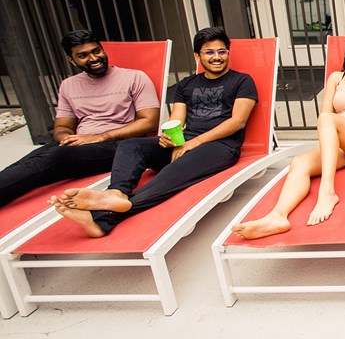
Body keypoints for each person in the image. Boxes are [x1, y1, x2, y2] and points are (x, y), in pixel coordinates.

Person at [51, 27, 257, 237]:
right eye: (209, 52)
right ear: (198, 56)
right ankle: (117, 192)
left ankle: (102, 219)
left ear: (228, 53)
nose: (216, 57)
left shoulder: (242, 81)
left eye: (222, 52)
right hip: (184, 143)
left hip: (220, 146)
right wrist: (170, 136)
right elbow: (177, 118)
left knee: (168, 176)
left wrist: (193, 144)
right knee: (130, 145)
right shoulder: (187, 84)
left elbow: (237, 122)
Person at [232, 33, 345, 239]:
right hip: (341, 144)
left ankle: (327, 192)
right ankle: (277, 216)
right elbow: (323, 116)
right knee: (299, 162)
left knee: (329, 120)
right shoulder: (337, 78)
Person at [0, 30, 160, 207]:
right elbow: (62, 126)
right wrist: (65, 138)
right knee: (34, 159)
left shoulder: (135, 77)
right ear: (72, 60)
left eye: (96, 51)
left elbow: (148, 121)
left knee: (54, 157)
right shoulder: (69, 85)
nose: (93, 58)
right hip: (80, 145)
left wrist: (99, 137)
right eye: (83, 55)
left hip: (118, 146)